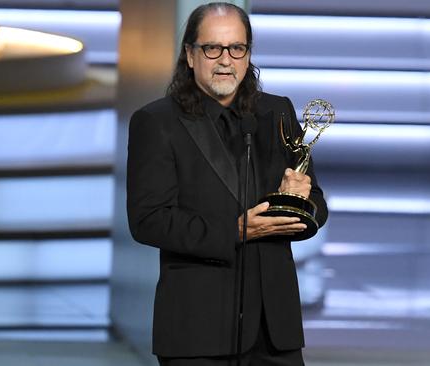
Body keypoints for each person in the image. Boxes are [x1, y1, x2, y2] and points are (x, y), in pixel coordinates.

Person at [126, 2, 328, 365]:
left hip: (274, 331)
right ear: (190, 54)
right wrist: (234, 231)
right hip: (198, 329)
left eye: (237, 48)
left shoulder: (277, 112)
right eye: (212, 48)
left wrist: (300, 203)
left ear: (248, 54)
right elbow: (148, 219)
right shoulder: (157, 122)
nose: (225, 60)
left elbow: (318, 207)